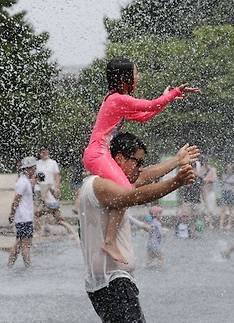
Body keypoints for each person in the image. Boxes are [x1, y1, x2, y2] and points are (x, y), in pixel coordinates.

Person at [83, 57, 199, 263]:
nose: (139, 77)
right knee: (127, 192)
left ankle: (109, 240)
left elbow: (145, 115)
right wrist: (173, 94)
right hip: (97, 154)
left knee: (125, 190)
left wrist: (166, 99)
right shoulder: (116, 99)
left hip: (100, 153)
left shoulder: (117, 100)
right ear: (125, 77)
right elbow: (152, 104)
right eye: (136, 73)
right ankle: (109, 242)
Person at [79, 132, 196, 323]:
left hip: (110, 284)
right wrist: (177, 181)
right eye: (137, 162)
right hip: (113, 283)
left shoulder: (108, 182)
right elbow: (133, 197)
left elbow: (144, 177)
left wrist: (176, 160)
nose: (140, 168)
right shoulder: (98, 185)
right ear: (119, 159)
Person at [7, 156, 37, 268]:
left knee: (19, 244)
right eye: (33, 168)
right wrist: (11, 214)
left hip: (24, 218)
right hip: (24, 218)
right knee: (25, 245)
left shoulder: (25, 181)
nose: (35, 170)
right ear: (28, 169)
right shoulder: (22, 182)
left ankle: (9, 266)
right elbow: (16, 199)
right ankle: (28, 268)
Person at [197, 156, 218, 228]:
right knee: (203, 208)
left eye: (205, 162)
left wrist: (206, 180)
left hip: (210, 192)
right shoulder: (199, 170)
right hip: (202, 192)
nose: (204, 163)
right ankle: (205, 222)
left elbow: (214, 179)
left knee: (211, 208)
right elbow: (198, 180)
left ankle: (210, 223)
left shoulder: (212, 170)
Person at [219, 161, 234, 230]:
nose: (229, 169)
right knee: (223, 209)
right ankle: (221, 224)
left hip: (231, 193)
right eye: (227, 168)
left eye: (230, 168)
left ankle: (229, 224)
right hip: (224, 192)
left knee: (231, 210)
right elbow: (222, 184)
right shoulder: (223, 175)